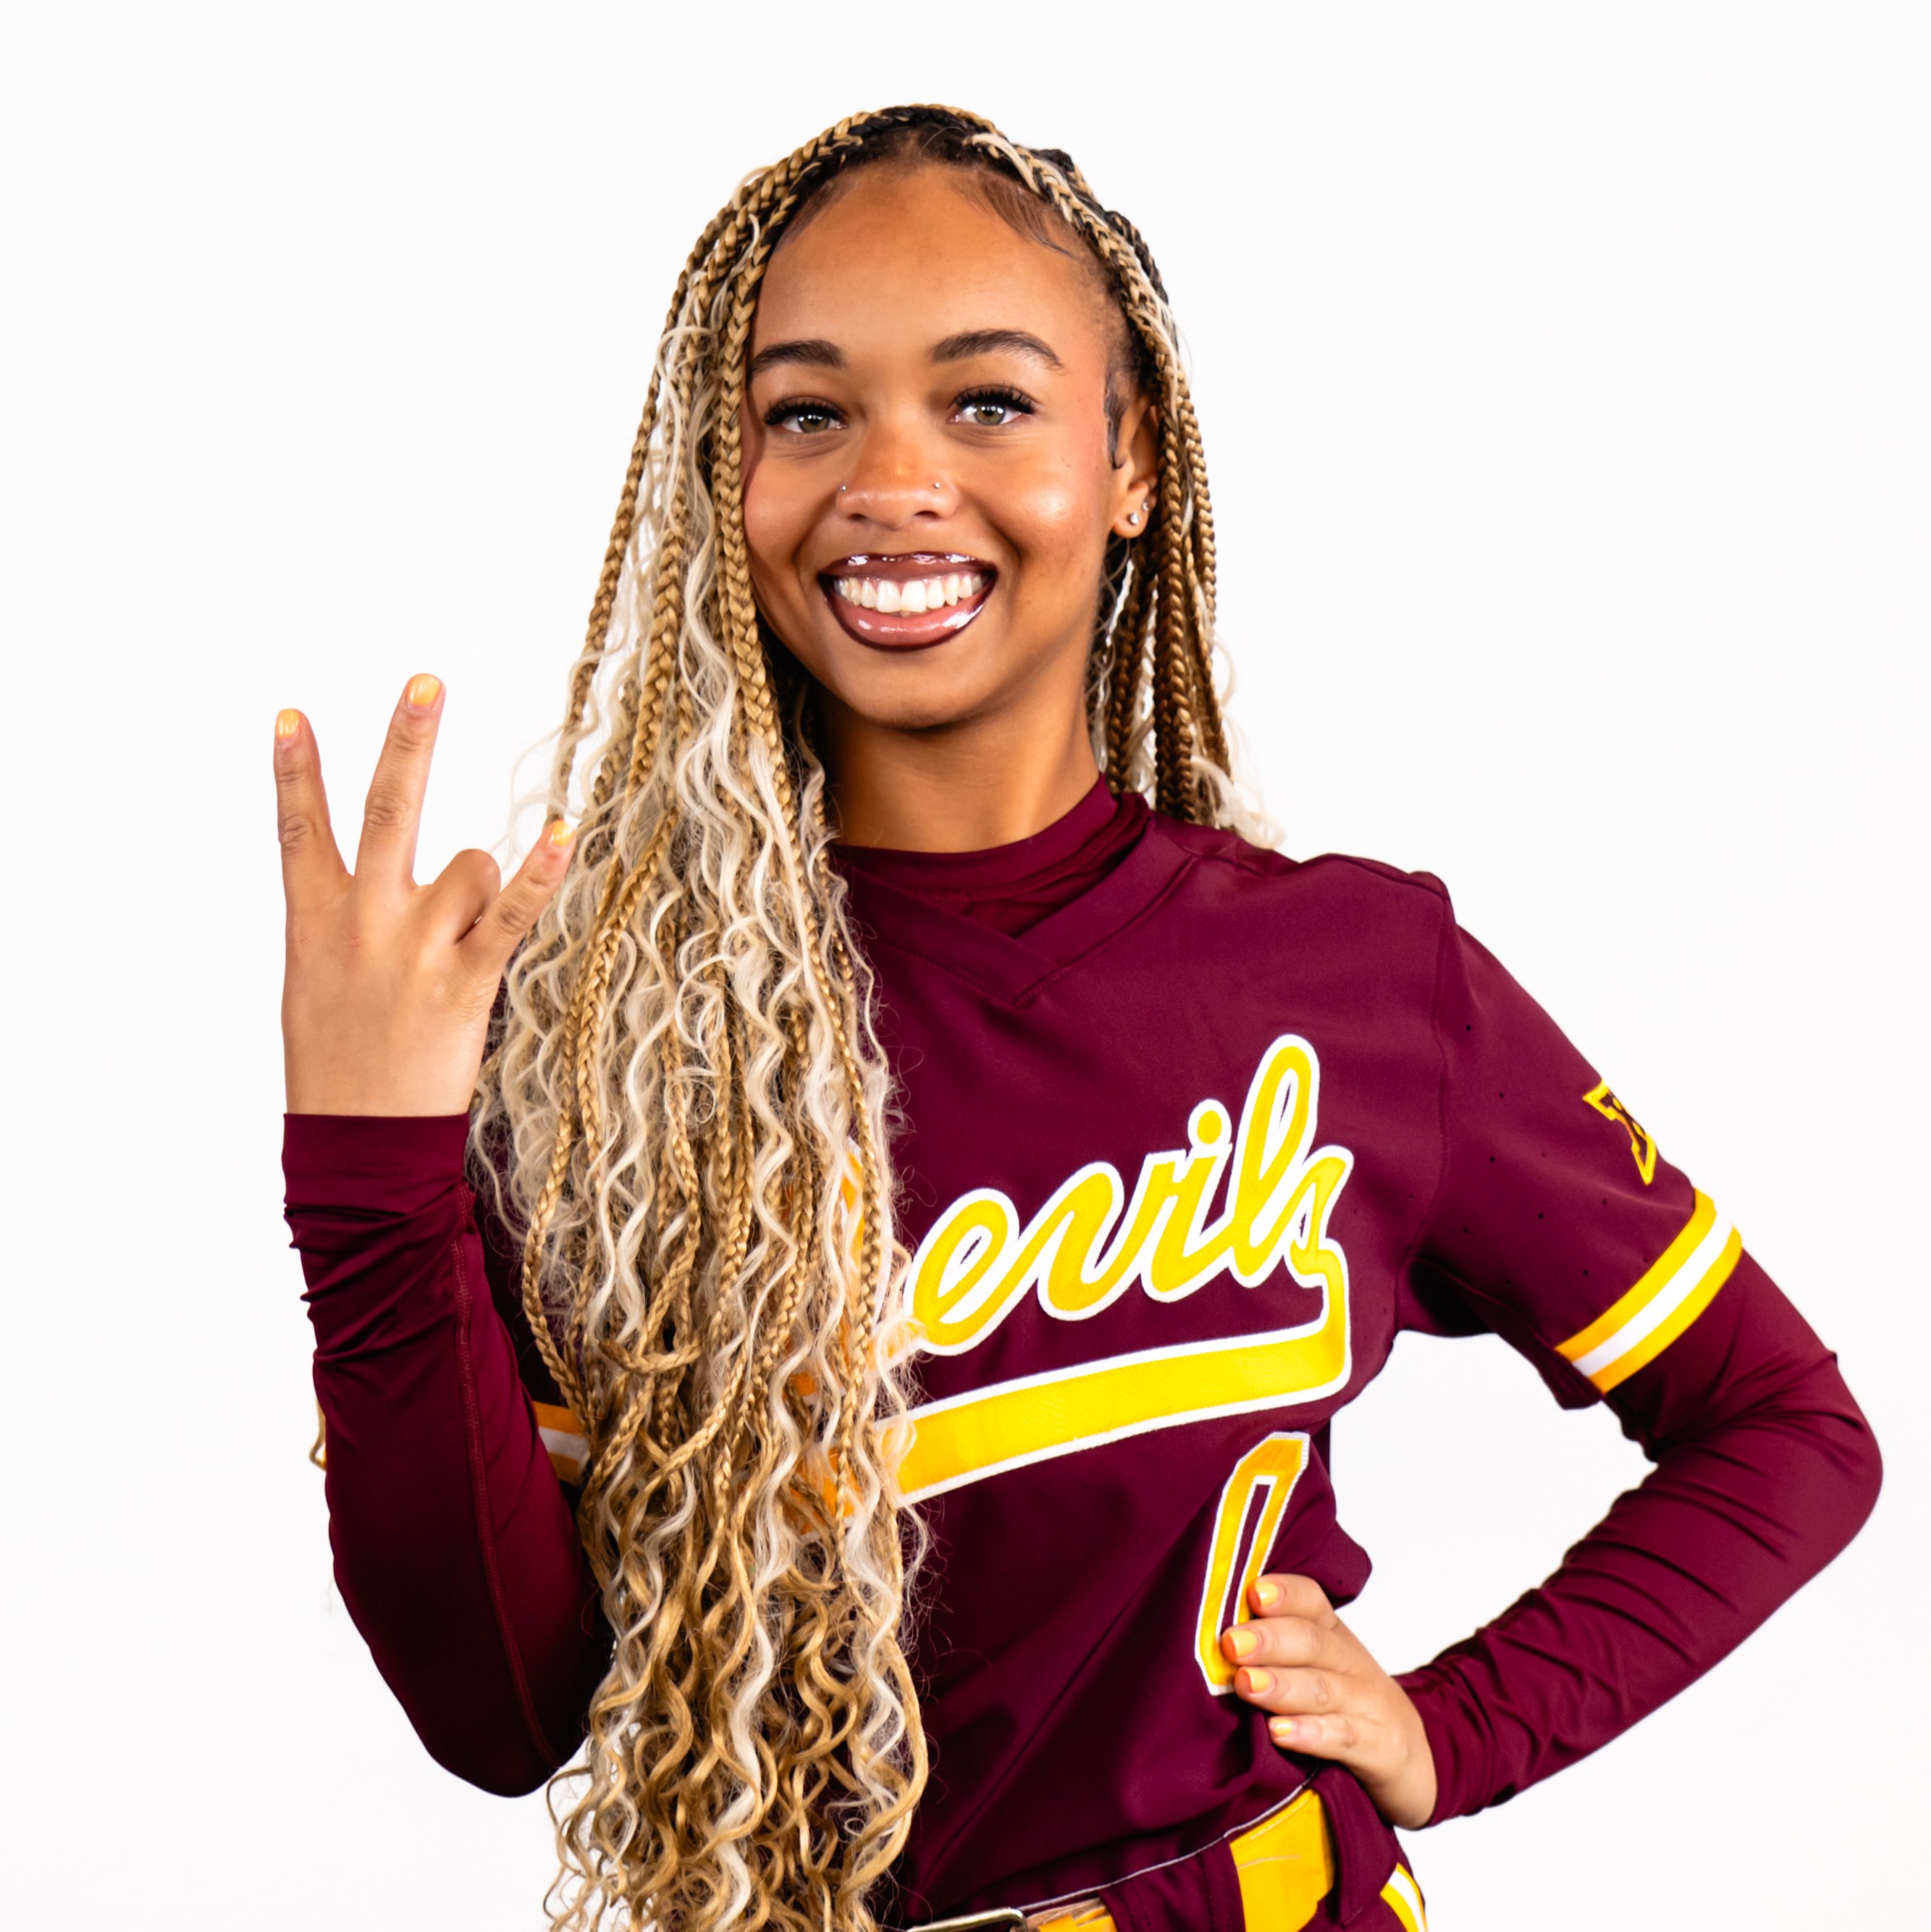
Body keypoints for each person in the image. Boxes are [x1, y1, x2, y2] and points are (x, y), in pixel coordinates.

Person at [275, 106, 1880, 1932]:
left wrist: (1453, 1727)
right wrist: (368, 1172)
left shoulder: (1359, 978)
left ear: (1128, 465)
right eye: (805, 413)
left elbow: (1781, 1426)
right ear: (722, 480)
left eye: (986, 401)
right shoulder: (605, 1054)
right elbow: (500, 1712)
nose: (892, 479)